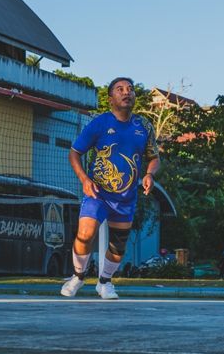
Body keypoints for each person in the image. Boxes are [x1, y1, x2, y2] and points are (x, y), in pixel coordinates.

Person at [60, 77, 160, 300]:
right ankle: (77, 276)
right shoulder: (99, 123)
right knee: (85, 234)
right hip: (98, 193)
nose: (127, 92)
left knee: (118, 244)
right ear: (110, 98)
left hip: (126, 196)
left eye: (130, 89)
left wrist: (149, 174)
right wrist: (85, 179)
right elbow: (74, 153)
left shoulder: (144, 126)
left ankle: (104, 283)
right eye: (120, 89)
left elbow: (154, 157)